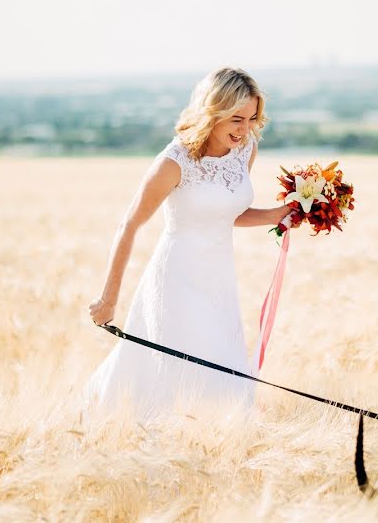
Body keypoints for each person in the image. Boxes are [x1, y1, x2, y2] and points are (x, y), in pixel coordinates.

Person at [83, 67, 292, 419]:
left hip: (219, 280)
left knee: (222, 373)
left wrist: (277, 213)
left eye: (252, 118)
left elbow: (225, 213)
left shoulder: (245, 150)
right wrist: (108, 299)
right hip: (176, 279)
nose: (244, 129)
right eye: (236, 119)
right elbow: (129, 224)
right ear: (213, 111)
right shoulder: (174, 161)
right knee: (170, 375)